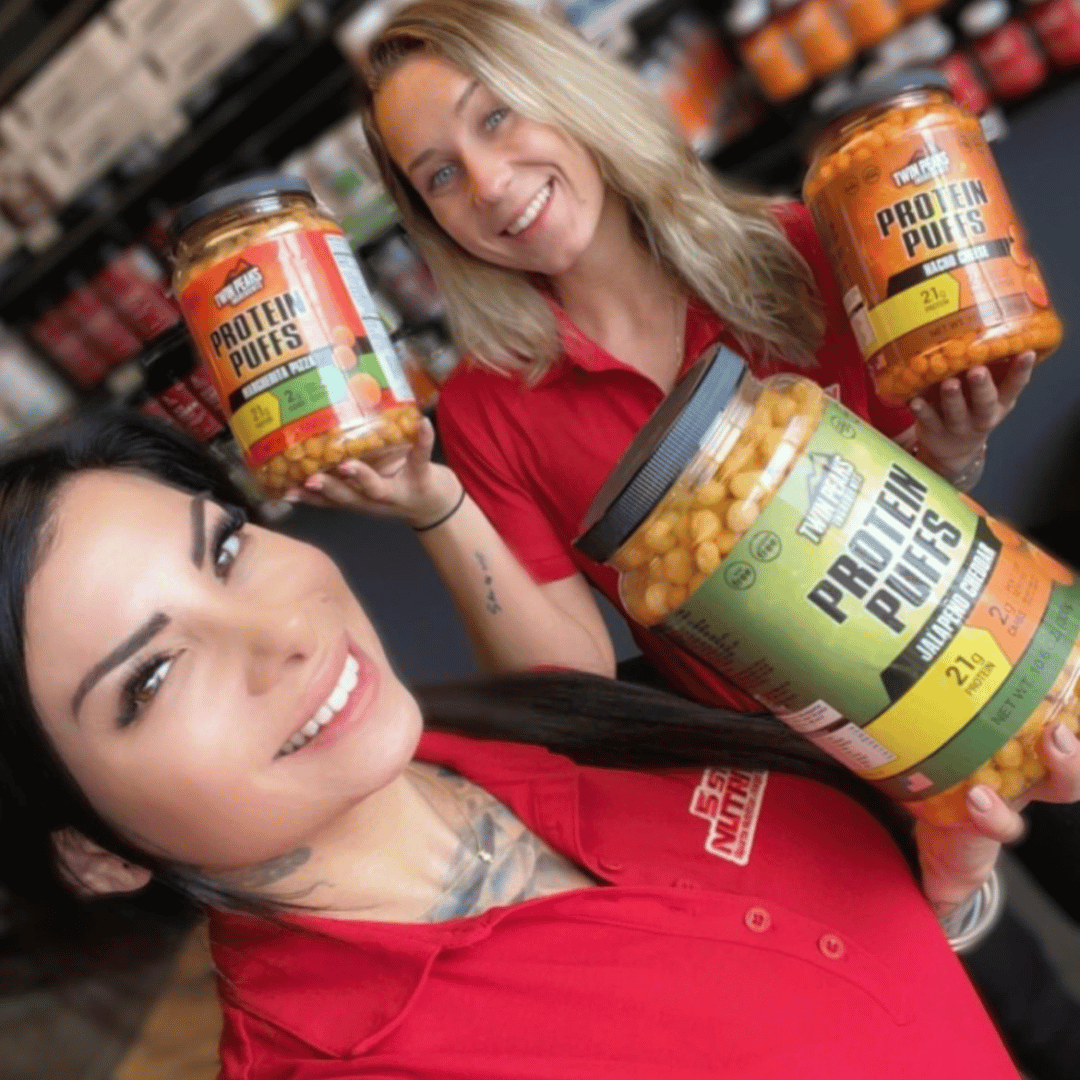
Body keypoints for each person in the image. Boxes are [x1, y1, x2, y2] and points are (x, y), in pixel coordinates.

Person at [2, 411, 1078, 1078]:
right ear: (91, 852)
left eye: (226, 548)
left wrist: (941, 895)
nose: (280, 632)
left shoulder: (524, 719)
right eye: (150, 674)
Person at [294, 0, 1037, 714]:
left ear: (568, 95)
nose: (487, 183)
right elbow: (574, 684)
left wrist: (954, 449)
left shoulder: (804, 247)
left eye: (496, 116)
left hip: (977, 661)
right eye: (441, 178)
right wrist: (436, 506)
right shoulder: (484, 409)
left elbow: (931, 498)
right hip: (795, 773)